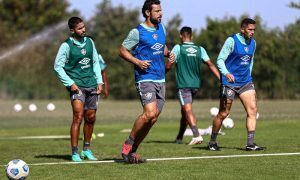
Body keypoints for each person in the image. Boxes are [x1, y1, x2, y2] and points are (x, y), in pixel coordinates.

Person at [119, 0, 175, 163]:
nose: (160, 13)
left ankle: (133, 151)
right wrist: (137, 62)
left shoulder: (161, 28)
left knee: (153, 118)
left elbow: (161, 47)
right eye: (157, 11)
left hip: (160, 78)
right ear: (147, 13)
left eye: (161, 10)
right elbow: (122, 51)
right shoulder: (137, 32)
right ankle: (128, 143)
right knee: (149, 113)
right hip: (145, 77)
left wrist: (168, 53)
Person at [207, 18, 265, 151]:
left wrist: (248, 76)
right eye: (250, 29)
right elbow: (220, 60)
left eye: (254, 30)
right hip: (229, 83)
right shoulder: (232, 41)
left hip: (245, 82)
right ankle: (212, 142)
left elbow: (250, 61)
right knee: (223, 113)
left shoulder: (253, 43)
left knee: (253, 110)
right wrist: (226, 73)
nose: (252, 32)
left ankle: (250, 144)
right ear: (242, 29)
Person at [54, 17, 103, 162]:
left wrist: (99, 81)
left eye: (84, 27)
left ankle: (86, 150)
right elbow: (58, 66)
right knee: (78, 116)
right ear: (72, 30)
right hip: (77, 86)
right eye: (80, 28)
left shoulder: (90, 42)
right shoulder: (66, 46)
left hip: (91, 84)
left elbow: (95, 62)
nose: (84, 30)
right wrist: (70, 83)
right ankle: (75, 152)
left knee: (91, 118)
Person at [165, 26, 220, 145]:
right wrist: (221, 78)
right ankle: (179, 137)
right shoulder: (200, 49)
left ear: (181, 35)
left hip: (183, 85)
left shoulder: (178, 48)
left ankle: (196, 135)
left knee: (188, 110)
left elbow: (169, 65)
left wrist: (160, 74)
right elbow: (210, 64)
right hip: (195, 86)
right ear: (192, 36)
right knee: (184, 112)